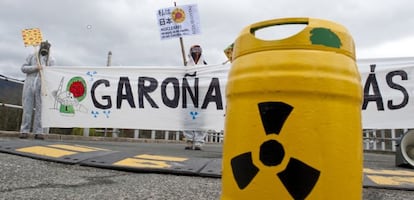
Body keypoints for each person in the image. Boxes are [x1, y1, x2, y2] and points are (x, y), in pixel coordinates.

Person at [19, 40, 55, 139]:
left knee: (41, 109)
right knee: (27, 107)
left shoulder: (51, 60)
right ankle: (24, 130)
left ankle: (39, 131)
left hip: (42, 85)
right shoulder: (31, 55)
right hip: (29, 84)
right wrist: (36, 67)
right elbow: (23, 68)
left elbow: (52, 74)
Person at [183, 45, 208, 150]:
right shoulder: (186, 65)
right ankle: (189, 139)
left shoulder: (206, 65)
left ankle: (199, 141)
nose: (196, 52)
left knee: (201, 119)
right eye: (194, 50)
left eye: (198, 50)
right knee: (187, 118)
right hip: (189, 96)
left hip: (201, 96)